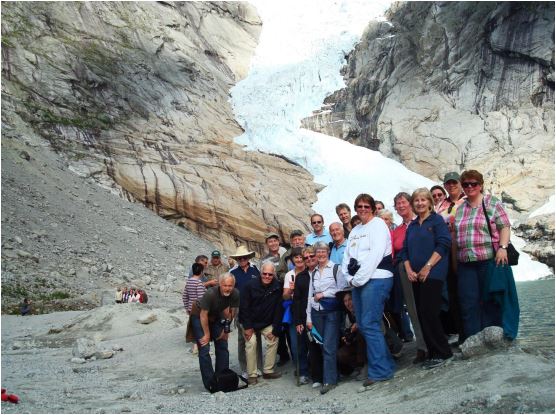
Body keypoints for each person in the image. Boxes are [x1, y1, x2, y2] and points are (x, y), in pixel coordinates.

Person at [341, 194, 395, 387]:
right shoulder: (355, 230)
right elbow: (347, 257)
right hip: (358, 281)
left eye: (366, 206)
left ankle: (380, 371)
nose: (362, 209)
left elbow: (375, 254)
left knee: (370, 324)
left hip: (377, 277)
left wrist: (358, 279)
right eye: (359, 206)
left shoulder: (379, 225)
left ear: (372, 208)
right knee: (363, 325)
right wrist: (350, 278)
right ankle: (385, 364)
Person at [454, 170, 512, 341]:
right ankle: (474, 340)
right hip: (466, 262)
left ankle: (494, 339)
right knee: (468, 303)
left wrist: (503, 247)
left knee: (491, 300)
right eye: (466, 184)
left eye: (474, 184)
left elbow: (504, 226)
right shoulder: (460, 208)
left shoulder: (491, 203)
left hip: (488, 260)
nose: (470, 187)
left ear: (481, 185)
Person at [401, 188, 453, 369]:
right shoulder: (413, 226)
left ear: (430, 202)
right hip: (415, 276)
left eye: (423, 200)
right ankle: (433, 352)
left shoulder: (436, 220)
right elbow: (405, 251)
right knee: (422, 314)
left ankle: (443, 352)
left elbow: (444, 243)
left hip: (434, 273)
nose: (420, 203)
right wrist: (408, 269)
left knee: (430, 313)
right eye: (416, 200)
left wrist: (428, 267)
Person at [306, 242, 346, 394]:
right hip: (317, 313)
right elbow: (310, 296)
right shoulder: (314, 272)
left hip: (332, 312)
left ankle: (329, 380)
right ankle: (333, 375)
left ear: (328, 252)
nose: (320, 254)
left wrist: (324, 294)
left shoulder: (336, 268)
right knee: (323, 345)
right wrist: (308, 318)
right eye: (318, 252)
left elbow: (342, 290)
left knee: (329, 345)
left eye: (323, 251)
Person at [393, 191, 428, 363]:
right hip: (404, 270)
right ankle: (422, 346)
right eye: (397, 204)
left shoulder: (421, 222)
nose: (401, 206)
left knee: (428, 306)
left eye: (403, 202)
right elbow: (394, 252)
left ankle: (436, 341)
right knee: (413, 309)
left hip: (425, 267)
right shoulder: (397, 230)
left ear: (411, 203)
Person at [190, 273, 239, 391]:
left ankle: (222, 378)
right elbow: (203, 315)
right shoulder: (210, 293)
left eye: (230, 286)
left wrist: (225, 330)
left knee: (222, 343)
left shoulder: (236, 293)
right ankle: (210, 383)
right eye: (225, 285)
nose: (228, 288)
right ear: (220, 285)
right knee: (204, 347)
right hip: (199, 315)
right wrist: (207, 334)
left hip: (217, 315)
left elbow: (232, 312)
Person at [239, 262, 284, 385]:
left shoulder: (277, 287)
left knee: (274, 338)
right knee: (251, 342)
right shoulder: (249, 286)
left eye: (270, 274)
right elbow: (244, 308)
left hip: (266, 322)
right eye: (265, 273)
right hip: (250, 322)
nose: (267, 276)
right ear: (260, 273)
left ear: (273, 274)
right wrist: (247, 327)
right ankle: (252, 374)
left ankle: (268, 370)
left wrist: (275, 328)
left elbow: (278, 309)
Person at [229, 245, 263, 377]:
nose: (242, 259)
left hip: (255, 307)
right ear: (237, 259)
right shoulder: (232, 272)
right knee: (242, 339)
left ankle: (258, 366)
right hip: (239, 308)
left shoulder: (255, 270)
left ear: (248, 257)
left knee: (257, 337)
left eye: (244, 257)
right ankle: (244, 368)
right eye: (239, 258)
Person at [293, 246, 322, 389]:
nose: (309, 259)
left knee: (319, 345)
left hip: (321, 314)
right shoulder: (300, 277)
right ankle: (308, 374)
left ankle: (323, 375)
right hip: (305, 316)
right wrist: (298, 321)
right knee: (304, 345)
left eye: (312, 256)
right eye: (306, 258)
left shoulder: (322, 272)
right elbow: (296, 300)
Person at [261, 232, 291, 367]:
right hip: (274, 293)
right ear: (267, 244)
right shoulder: (264, 260)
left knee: (288, 321)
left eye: (275, 241)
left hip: (287, 291)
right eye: (270, 241)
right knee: (276, 322)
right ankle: (283, 354)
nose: (273, 243)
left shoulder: (286, 253)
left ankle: (293, 351)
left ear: (278, 242)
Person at [283, 247, 310, 385]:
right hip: (295, 311)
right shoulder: (289, 275)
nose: (299, 260)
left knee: (311, 342)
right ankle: (302, 371)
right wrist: (291, 289)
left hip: (310, 310)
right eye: (296, 258)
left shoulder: (310, 271)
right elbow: (285, 296)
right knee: (296, 343)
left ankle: (313, 369)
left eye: (301, 257)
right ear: (292, 260)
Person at [183, 263, 207, 354]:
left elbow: (185, 296)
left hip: (190, 309)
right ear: (201, 272)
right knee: (200, 329)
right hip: (198, 310)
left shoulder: (189, 282)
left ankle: (195, 347)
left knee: (194, 328)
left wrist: (187, 307)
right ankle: (198, 348)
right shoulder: (199, 283)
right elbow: (200, 299)